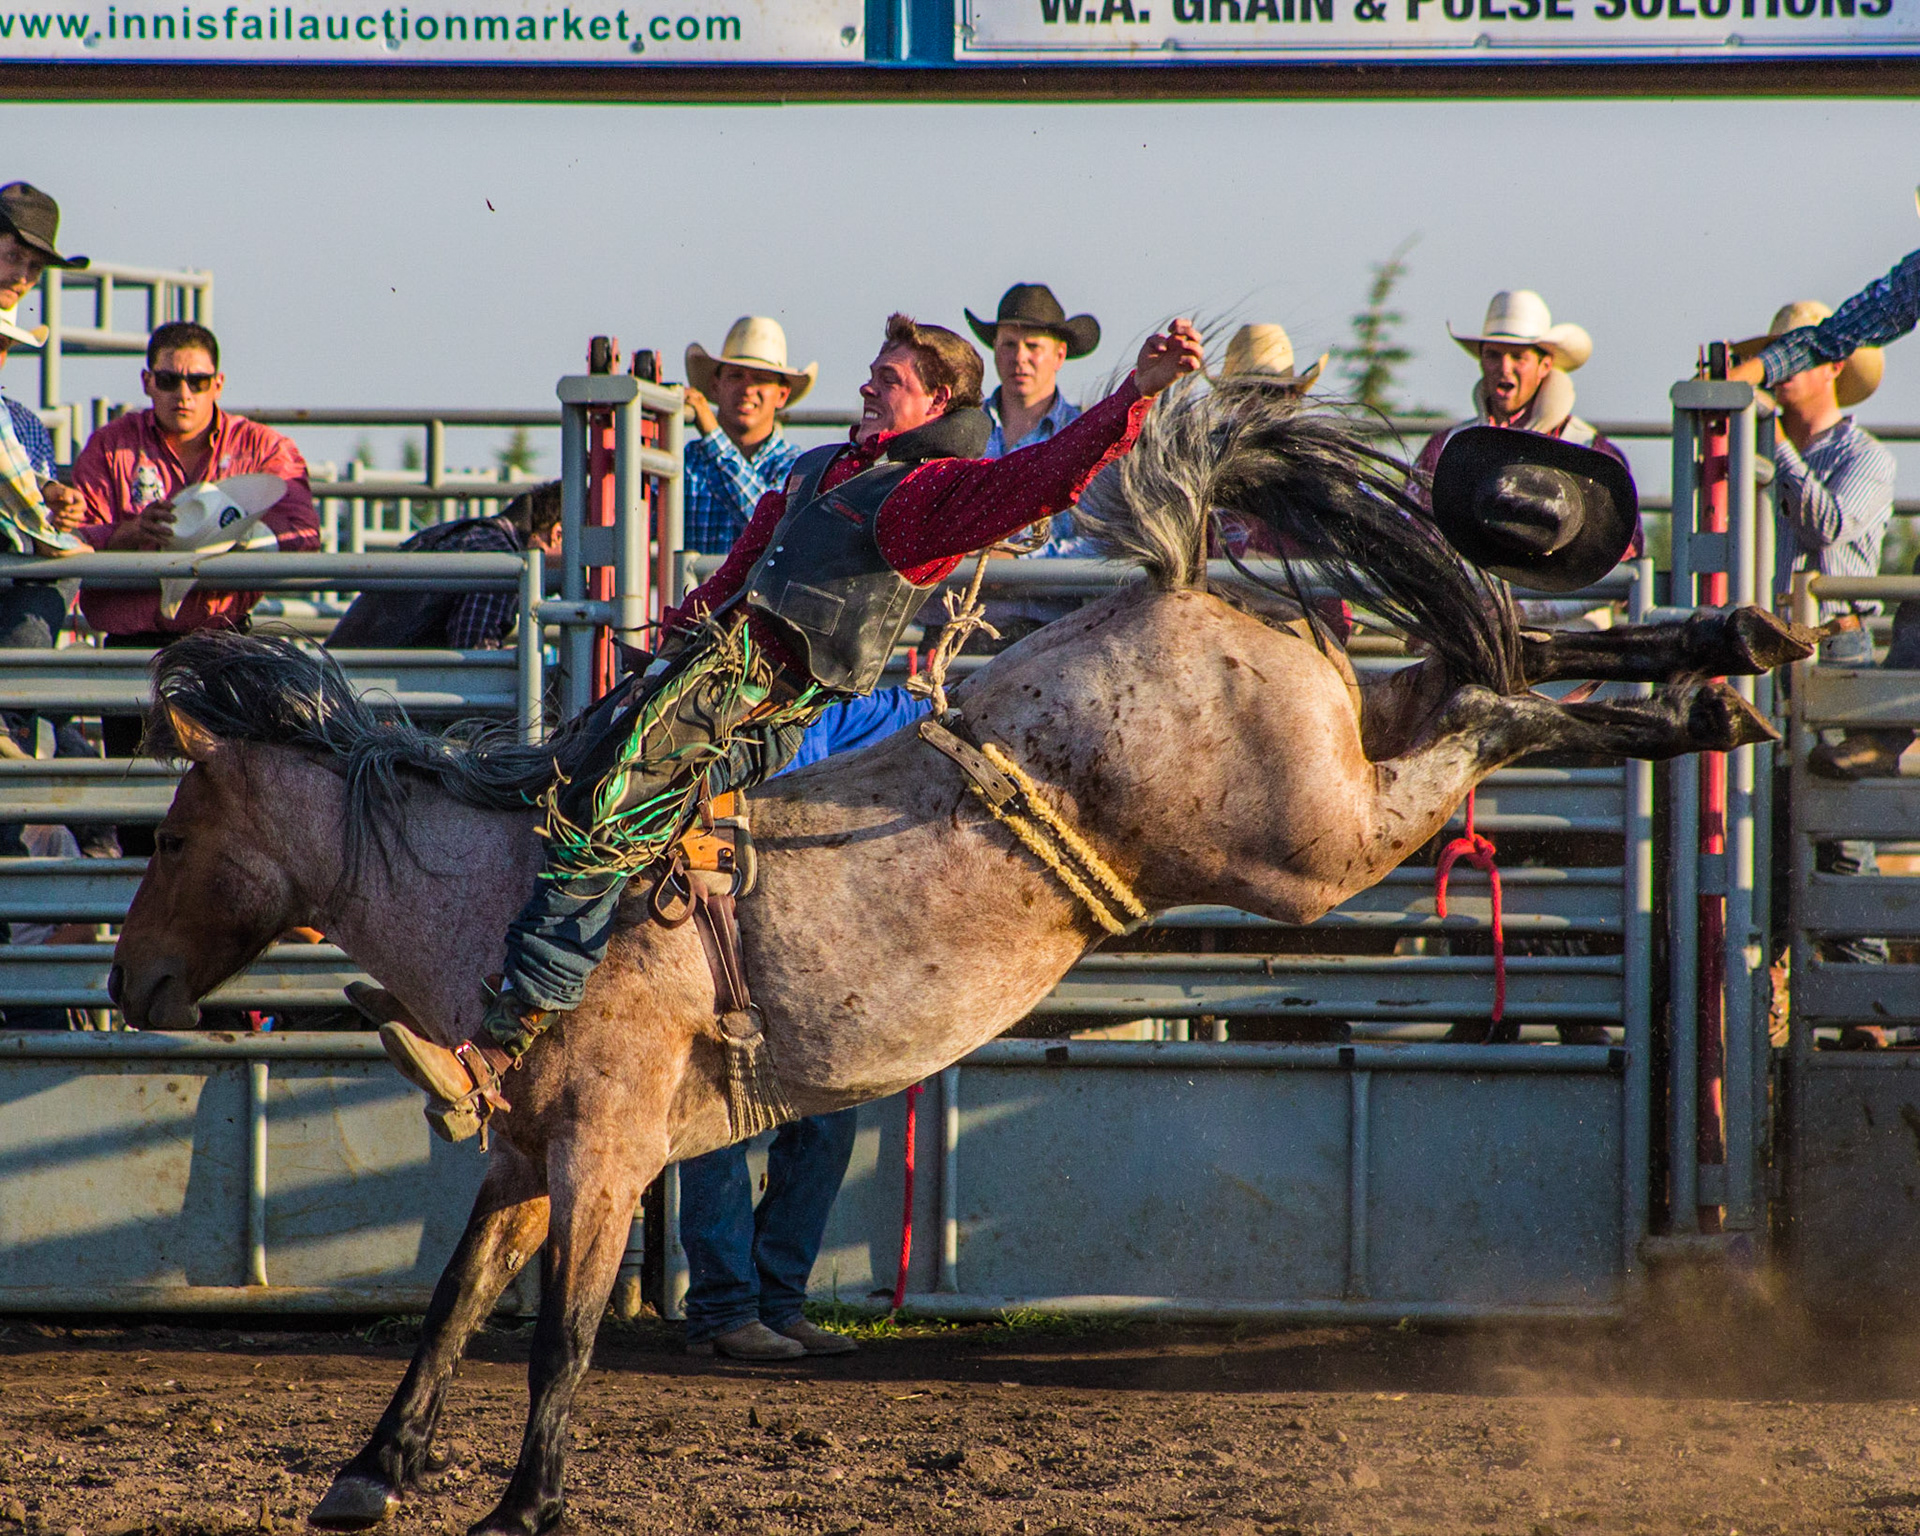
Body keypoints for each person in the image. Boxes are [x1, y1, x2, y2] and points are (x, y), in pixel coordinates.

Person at [377, 310, 1206, 1141]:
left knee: (606, 816)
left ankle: (497, 1050)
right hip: (702, 678)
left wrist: (1136, 392)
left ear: (936, 402)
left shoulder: (928, 498)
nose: (867, 386)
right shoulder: (822, 470)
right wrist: (666, 649)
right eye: (874, 372)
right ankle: (461, 988)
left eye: (889, 380)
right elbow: (734, 580)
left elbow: (1043, 478)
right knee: (552, 777)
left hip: (759, 706)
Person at [679, 684, 931, 1362]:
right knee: (718, 1120)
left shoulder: (817, 706)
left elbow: (919, 711)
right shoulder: (701, 705)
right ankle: (727, 1308)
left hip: (795, 952)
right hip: (711, 944)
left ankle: (771, 1302)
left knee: (825, 1121)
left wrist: (943, 696)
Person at [70, 320, 318, 849]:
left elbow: (301, 531)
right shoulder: (111, 446)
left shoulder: (261, 447)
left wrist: (245, 541)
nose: (183, 393)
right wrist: (130, 533)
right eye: (169, 380)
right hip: (136, 651)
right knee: (142, 821)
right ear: (148, 381)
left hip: (222, 645)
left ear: (217, 383)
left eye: (197, 381)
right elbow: (72, 538)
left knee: (230, 816)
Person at [961, 283, 1102, 643]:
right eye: (1009, 344)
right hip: (958, 625)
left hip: (1047, 634)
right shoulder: (960, 431)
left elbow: (1100, 542)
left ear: (1059, 355)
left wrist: (1016, 563)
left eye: (1033, 346)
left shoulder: (1088, 441)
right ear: (995, 351)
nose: (1019, 358)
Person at [326, 481, 563, 650]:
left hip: (353, 679)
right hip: (377, 690)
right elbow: (475, 653)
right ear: (557, 534)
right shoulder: (502, 560)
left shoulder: (479, 536)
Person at [681, 318, 813, 557]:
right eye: (736, 376)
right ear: (715, 385)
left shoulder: (797, 467)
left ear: (782, 395)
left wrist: (712, 434)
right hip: (690, 584)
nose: (747, 389)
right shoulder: (686, 462)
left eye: (761, 378)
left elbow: (773, 529)